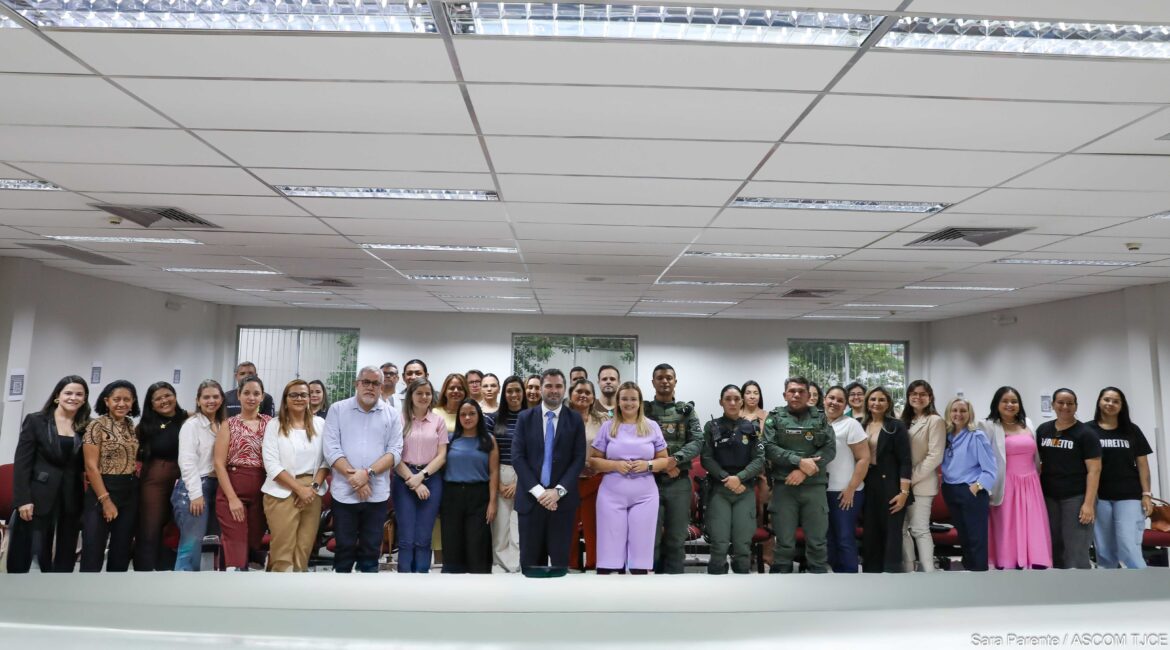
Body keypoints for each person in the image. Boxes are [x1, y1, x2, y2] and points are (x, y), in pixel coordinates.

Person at [323, 366, 404, 573]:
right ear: (356, 384)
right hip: (344, 494)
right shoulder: (337, 410)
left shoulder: (392, 414)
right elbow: (331, 449)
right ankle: (340, 601)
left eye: (375, 383)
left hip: (376, 494)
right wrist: (355, 479)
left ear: (381, 386)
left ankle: (366, 601)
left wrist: (366, 474)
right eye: (365, 382)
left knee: (370, 552)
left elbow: (394, 452)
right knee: (344, 549)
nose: (370, 387)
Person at [7, 375, 89, 573]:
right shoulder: (36, 421)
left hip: (71, 495)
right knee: (29, 549)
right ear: (57, 396)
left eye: (79, 394)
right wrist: (22, 499)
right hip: (37, 494)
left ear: (85, 399)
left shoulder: (87, 425)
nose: (73, 398)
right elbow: (22, 463)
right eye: (68, 393)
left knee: (66, 548)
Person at [512, 369, 587, 575]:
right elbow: (518, 457)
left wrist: (557, 491)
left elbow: (578, 459)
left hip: (561, 504)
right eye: (549, 386)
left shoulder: (575, 420)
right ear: (541, 388)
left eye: (558, 386)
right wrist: (539, 492)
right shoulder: (525, 418)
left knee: (559, 567)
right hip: (530, 502)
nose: (554, 391)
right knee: (530, 568)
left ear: (564, 389)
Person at [590, 381, 667, 574]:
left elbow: (665, 460)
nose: (629, 403)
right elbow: (593, 461)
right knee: (609, 554)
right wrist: (615, 465)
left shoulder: (652, 427)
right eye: (624, 399)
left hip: (645, 496)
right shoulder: (608, 427)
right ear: (618, 401)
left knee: (640, 553)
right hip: (611, 495)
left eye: (633, 399)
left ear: (640, 402)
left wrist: (647, 465)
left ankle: (638, 594)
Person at [763, 376, 835, 574]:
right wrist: (799, 461)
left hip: (814, 487)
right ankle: (782, 592)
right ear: (785, 394)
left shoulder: (820, 417)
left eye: (801, 391)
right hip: (784, 487)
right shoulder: (775, 417)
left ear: (808, 395)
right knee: (784, 543)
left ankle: (818, 591)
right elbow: (768, 448)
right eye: (792, 391)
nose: (796, 394)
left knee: (817, 543)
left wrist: (803, 470)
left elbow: (829, 449)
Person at [261, 379, 329, 572]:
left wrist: (312, 488)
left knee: (304, 549)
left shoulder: (320, 424)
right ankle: (279, 596)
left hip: (312, 491)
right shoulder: (274, 425)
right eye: (294, 395)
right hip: (282, 489)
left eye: (303, 394)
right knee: (283, 551)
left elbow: (327, 460)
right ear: (286, 399)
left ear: (310, 398)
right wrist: (299, 489)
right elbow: (271, 465)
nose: (299, 398)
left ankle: (298, 595)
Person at [644, 363, 703, 574]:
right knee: (651, 536)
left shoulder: (686, 411)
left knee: (677, 537)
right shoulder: (643, 411)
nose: (665, 381)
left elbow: (697, 441)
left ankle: (675, 582)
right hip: (649, 481)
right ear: (653, 382)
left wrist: (674, 460)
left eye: (669, 377)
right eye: (660, 378)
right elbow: (634, 442)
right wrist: (662, 465)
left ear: (675, 381)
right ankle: (650, 582)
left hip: (679, 482)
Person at [984, 386, 1051, 570]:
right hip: (1006, 484)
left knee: (1033, 525)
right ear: (997, 404)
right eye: (1005, 401)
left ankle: (1034, 561)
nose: (1010, 405)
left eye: (1014, 401)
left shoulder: (1027, 423)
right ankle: (1007, 563)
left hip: (1031, 482)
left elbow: (1036, 455)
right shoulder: (989, 426)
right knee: (1007, 526)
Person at [701, 384, 764, 574]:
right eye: (728, 399)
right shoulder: (712, 426)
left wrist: (740, 478)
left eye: (737, 399)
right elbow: (706, 458)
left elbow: (759, 459)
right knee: (719, 545)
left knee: (743, 546)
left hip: (744, 490)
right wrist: (726, 478)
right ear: (721, 402)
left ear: (742, 401)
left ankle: (743, 595)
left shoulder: (752, 427)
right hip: (719, 489)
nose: (733, 402)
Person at [1089, 387, 1154, 569]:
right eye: (1107, 399)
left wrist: (1147, 494)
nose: (1110, 404)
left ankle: (1142, 590)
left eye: (1115, 401)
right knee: (1104, 550)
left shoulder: (1132, 430)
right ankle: (1109, 592)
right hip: (1099, 497)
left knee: (1128, 545)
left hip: (1129, 496)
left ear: (1121, 405)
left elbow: (1143, 465)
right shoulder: (1087, 430)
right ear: (1100, 402)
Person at [1036, 388, 1100, 570]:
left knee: (1075, 549)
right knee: (1054, 546)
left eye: (1070, 403)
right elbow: (1039, 463)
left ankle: (1080, 594)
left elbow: (1094, 471)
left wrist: (1088, 504)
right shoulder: (1043, 430)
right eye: (1061, 403)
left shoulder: (1086, 434)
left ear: (1076, 406)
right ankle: (1058, 593)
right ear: (1053, 405)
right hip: (1049, 497)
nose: (1065, 407)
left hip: (1076, 497)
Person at [80, 380, 141, 572]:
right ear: (107, 401)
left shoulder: (130, 424)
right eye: (117, 399)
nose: (122, 404)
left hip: (129, 491)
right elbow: (91, 467)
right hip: (103, 490)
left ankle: (115, 595)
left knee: (121, 550)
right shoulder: (96, 425)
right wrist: (106, 500)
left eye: (127, 400)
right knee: (93, 550)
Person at [214, 375, 272, 570]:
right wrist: (232, 498)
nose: (251, 397)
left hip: (262, 490)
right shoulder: (228, 424)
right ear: (238, 396)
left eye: (256, 393)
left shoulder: (271, 423)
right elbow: (219, 464)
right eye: (246, 393)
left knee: (253, 543)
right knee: (236, 541)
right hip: (233, 487)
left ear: (262, 397)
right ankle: (232, 585)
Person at [395, 378, 449, 573]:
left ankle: (422, 583)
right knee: (407, 538)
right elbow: (393, 454)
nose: (424, 397)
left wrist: (423, 475)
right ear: (411, 396)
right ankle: (404, 583)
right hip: (403, 478)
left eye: (427, 393)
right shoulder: (398, 419)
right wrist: (413, 481)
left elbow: (442, 455)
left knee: (424, 537)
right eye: (419, 393)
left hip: (432, 478)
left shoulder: (438, 421)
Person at [134, 381, 189, 571]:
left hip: (184, 481)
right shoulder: (145, 427)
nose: (164, 400)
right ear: (151, 403)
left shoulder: (188, 418)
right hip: (155, 482)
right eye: (158, 399)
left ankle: (167, 570)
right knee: (151, 528)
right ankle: (145, 571)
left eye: (168, 395)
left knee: (175, 528)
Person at [173, 379, 227, 572]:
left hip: (217, 487)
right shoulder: (192, 425)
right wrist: (196, 494)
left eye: (215, 396)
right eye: (206, 397)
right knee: (191, 546)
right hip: (194, 488)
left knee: (211, 545)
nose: (211, 401)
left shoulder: (223, 425)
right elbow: (187, 462)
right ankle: (181, 591)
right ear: (198, 400)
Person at [441, 399, 499, 574]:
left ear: (479, 416)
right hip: (452, 495)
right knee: (453, 541)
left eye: (472, 413)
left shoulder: (489, 440)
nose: (467, 417)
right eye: (463, 414)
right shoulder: (450, 440)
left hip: (479, 496)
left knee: (477, 543)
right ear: (458, 417)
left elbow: (494, 472)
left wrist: (492, 502)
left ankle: (480, 588)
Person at [940, 397, 997, 572]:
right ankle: (968, 572)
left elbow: (990, 469)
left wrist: (976, 487)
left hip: (971, 490)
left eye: (963, 411)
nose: (958, 414)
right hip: (950, 489)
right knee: (963, 536)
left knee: (976, 537)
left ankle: (979, 573)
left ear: (969, 414)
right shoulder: (946, 436)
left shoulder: (976, 436)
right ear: (949, 413)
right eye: (954, 410)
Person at [860, 386, 912, 573]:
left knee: (891, 532)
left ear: (888, 403)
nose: (877, 403)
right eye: (873, 399)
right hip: (867, 482)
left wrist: (903, 492)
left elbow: (906, 461)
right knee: (871, 531)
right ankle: (871, 573)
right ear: (867, 402)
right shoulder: (860, 424)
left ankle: (891, 573)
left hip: (891, 483)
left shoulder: (896, 426)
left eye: (882, 399)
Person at [900, 379, 945, 573]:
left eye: (922, 394)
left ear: (930, 397)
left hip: (921, 484)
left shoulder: (935, 421)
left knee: (919, 529)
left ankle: (929, 572)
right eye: (914, 394)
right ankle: (909, 570)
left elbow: (935, 456)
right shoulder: (902, 419)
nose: (918, 397)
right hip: (900, 485)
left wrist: (909, 479)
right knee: (902, 531)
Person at [822, 385, 869, 574]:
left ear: (846, 404)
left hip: (845, 492)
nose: (834, 403)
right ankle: (834, 579)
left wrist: (851, 488)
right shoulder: (817, 422)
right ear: (824, 399)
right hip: (821, 491)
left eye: (840, 400)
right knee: (828, 539)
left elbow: (863, 459)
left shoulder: (851, 425)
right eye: (831, 398)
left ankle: (849, 578)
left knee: (844, 537)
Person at [488, 375, 525, 572]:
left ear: (523, 393)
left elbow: (536, 453)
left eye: (517, 390)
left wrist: (520, 483)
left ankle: (517, 569)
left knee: (518, 528)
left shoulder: (532, 417)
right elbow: (488, 454)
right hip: (499, 474)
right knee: (500, 528)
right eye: (509, 391)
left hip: (524, 476)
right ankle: (500, 568)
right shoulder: (493, 419)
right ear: (504, 394)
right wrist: (499, 485)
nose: (513, 395)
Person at [568, 378, 605, 570]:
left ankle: (594, 565)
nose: (583, 395)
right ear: (571, 395)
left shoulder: (603, 420)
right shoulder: (561, 417)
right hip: (567, 481)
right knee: (569, 528)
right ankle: (571, 567)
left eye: (588, 392)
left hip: (595, 480)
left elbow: (610, 447)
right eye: (579, 391)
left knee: (593, 527)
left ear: (593, 397)